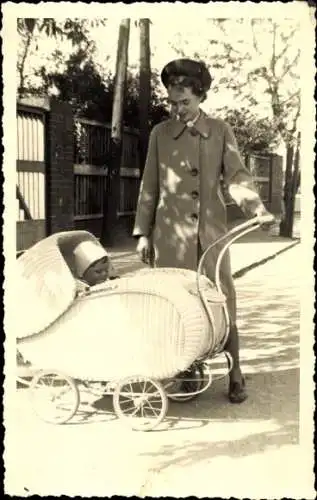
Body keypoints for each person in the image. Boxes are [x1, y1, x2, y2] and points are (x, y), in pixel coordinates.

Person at [133, 58, 274, 404]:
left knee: (221, 300)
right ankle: (186, 369)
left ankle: (235, 370)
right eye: (172, 102)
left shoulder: (221, 131)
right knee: (177, 304)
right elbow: (149, 185)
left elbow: (237, 177)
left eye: (185, 102)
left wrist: (255, 207)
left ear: (201, 97)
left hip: (211, 234)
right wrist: (142, 233)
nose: (178, 109)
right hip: (170, 236)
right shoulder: (159, 135)